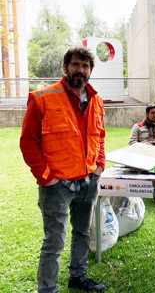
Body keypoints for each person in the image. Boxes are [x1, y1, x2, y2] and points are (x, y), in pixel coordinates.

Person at [20, 47, 107, 292]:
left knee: (82, 233)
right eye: (76, 65)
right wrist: (46, 177)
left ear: (90, 70)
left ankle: (77, 277)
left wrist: (99, 165)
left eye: (85, 66)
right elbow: (28, 142)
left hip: (88, 180)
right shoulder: (42, 97)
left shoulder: (96, 100)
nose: (80, 70)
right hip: (57, 185)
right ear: (65, 67)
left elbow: (99, 135)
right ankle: (47, 289)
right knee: (54, 242)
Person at [129, 104, 155, 205]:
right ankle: (140, 193)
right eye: (152, 113)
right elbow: (131, 143)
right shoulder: (138, 127)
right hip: (140, 154)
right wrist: (145, 145)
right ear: (147, 114)